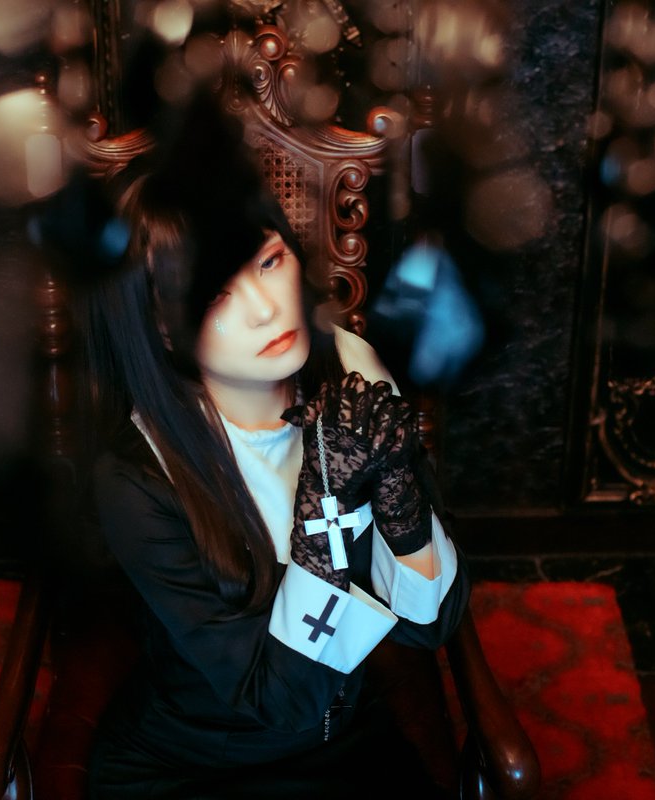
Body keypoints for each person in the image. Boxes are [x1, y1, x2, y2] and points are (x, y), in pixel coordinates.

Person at [79, 110, 469, 799]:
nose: (265, 309)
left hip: (349, 743)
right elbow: (279, 702)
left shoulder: (350, 366)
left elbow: (431, 621)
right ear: (163, 329)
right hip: (195, 763)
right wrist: (328, 494)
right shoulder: (137, 475)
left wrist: (395, 490)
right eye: (215, 295)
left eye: (268, 261)